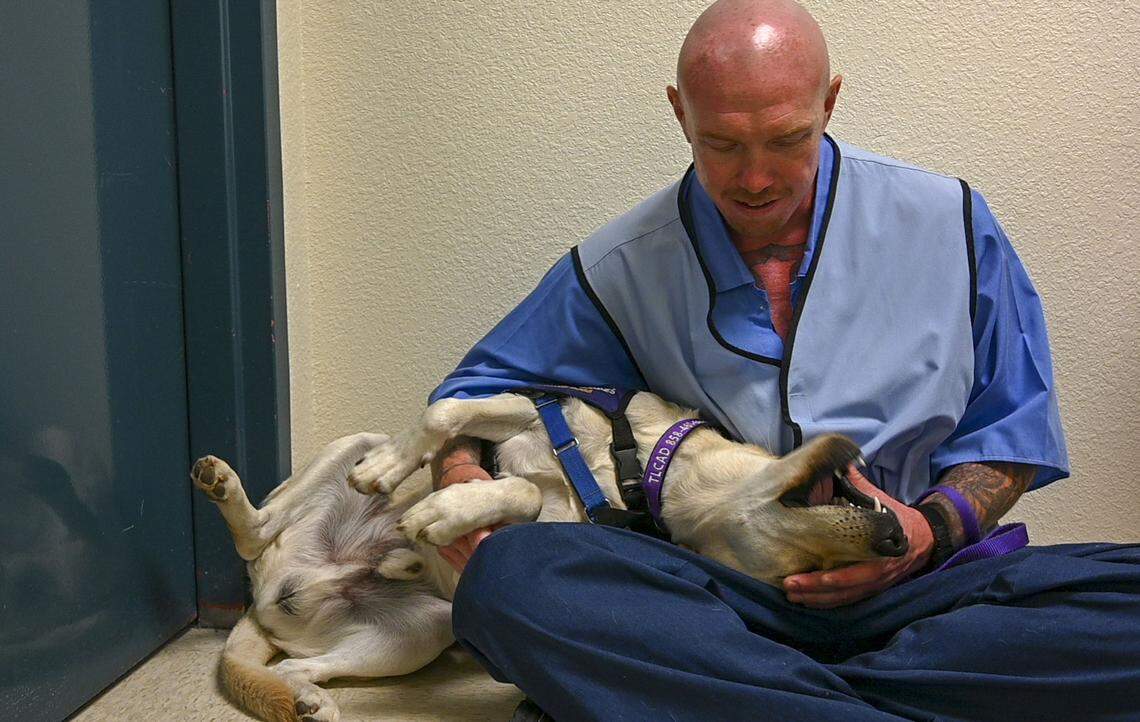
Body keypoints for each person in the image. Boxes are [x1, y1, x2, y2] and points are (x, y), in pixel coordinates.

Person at [422, 1, 1140, 719]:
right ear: (680, 115)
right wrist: (464, 489)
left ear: (830, 103)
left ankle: (744, 700)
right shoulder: (619, 267)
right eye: (724, 145)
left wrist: (924, 534)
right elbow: (473, 394)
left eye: (788, 139)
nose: (757, 178)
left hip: (926, 593)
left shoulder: (949, 222)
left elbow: (1010, 435)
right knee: (511, 580)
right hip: (719, 605)